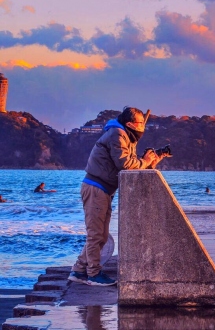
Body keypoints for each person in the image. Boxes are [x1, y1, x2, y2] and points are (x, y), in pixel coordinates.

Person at [68, 107, 168, 287]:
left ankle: (78, 270)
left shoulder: (125, 137)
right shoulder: (117, 134)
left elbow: (130, 164)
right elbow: (125, 164)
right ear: (130, 124)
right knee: (96, 235)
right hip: (96, 188)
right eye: (140, 123)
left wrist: (149, 161)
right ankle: (93, 274)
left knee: (101, 235)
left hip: (103, 190)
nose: (142, 127)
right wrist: (144, 161)